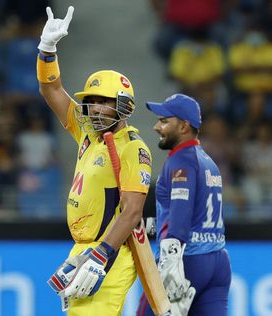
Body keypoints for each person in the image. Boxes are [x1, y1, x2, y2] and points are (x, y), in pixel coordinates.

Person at [38, 6, 153, 315]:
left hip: (109, 251)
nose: (98, 109)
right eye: (92, 102)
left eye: (106, 103)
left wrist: (101, 255)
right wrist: (47, 50)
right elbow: (52, 89)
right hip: (83, 248)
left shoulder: (133, 147)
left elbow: (131, 212)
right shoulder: (86, 131)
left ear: (124, 108)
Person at [137, 94, 231, 315]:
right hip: (218, 261)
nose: (156, 127)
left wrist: (170, 259)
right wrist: (147, 226)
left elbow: (180, 217)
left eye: (164, 121)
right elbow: (194, 215)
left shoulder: (181, 162)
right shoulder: (207, 161)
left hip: (187, 260)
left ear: (184, 126)